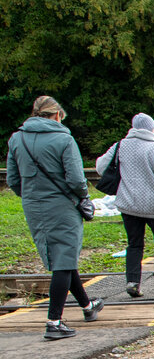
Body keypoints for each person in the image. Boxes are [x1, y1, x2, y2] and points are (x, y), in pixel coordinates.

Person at [6, 95, 104, 340]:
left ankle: (87, 306)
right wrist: (83, 196)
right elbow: (75, 179)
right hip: (62, 205)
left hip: (33, 206)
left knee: (63, 256)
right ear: (57, 114)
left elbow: (13, 180)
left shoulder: (17, 138)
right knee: (63, 259)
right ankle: (54, 322)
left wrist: (32, 195)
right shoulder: (63, 138)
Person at [96, 113, 154, 298]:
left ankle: (133, 282)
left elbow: (100, 166)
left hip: (129, 204)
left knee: (134, 244)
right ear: (152, 128)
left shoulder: (120, 146)